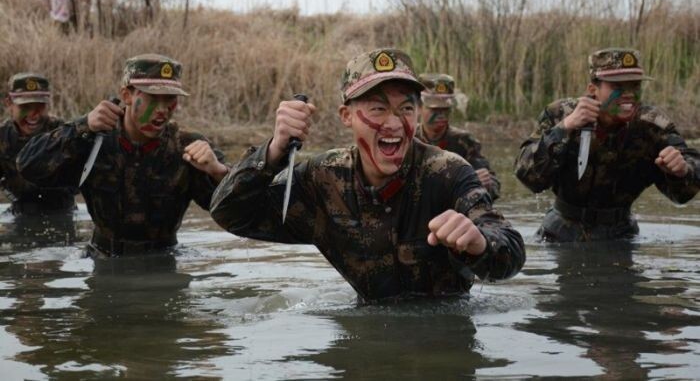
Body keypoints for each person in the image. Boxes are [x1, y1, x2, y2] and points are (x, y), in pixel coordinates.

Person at [210, 48, 525, 303]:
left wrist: (479, 244)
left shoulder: (447, 172)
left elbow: (510, 250)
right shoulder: (323, 180)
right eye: (377, 109)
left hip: (443, 339)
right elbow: (230, 213)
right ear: (346, 116)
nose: (393, 123)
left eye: (406, 109)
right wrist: (273, 152)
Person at [17, 54, 229, 256]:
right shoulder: (93, 140)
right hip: (103, 260)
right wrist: (82, 126)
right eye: (153, 98)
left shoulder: (187, 146)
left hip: (163, 261)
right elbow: (28, 166)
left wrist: (219, 172)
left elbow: (236, 213)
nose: (162, 109)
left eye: (170, 99)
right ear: (126, 95)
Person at [515, 48, 699, 242]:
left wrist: (682, 171)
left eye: (635, 86)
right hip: (560, 233)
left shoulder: (652, 124)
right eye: (617, 86)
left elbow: (684, 192)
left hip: (621, 234)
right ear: (593, 90)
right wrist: (565, 128)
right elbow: (527, 175)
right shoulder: (560, 114)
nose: (628, 94)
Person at [0, 73, 77, 246]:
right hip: (20, 216)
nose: (33, 115)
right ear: (9, 104)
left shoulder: (63, 133)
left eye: (39, 106)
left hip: (64, 214)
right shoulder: (2, 138)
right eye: (25, 107)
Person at [416, 73, 501, 201]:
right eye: (435, 109)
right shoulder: (408, 139)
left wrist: (482, 184)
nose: (441, 115)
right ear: (419, 107)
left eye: (445, 109)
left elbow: (493, 185)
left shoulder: (464, 142)